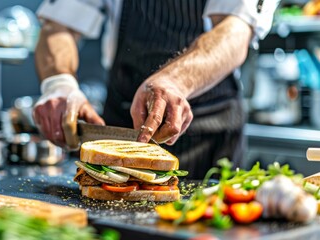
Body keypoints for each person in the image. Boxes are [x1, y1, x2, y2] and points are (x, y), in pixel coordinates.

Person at [33, 0, 280, 179]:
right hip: (119, 124)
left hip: (208, 132)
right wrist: (59, 83)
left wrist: (174, 81)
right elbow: (58, 26)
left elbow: (234, 32)